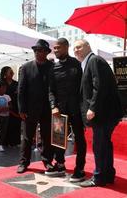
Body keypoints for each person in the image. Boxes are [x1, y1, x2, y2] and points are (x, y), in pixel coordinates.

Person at [73, 39, 123, 187]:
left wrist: (92, 108)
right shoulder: (91, 62)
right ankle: (107, 175)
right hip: (106, 113)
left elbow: (99, 86)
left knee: (100, 146)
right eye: (74, 48)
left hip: (102, 114)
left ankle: (99, 177)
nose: (76, 50)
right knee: (104, 145)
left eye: (79, 47)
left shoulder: (94, 60)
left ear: (88, 47)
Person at [48, 38, 87, 182]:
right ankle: (60, 165)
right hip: (59, 110)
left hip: (76, 110)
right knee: (58, 139)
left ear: (66, 47)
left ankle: (80, 168)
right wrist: (53, 106)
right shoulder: (53, 68)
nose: (55, 50)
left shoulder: (78, 65)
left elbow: (84, 88)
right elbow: (50, 90)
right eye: (54, 48)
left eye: (58, 48)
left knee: (79, 139)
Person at [17, 39, 54, 173]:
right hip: (29, 109)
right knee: (27, 137)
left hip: (47, 109)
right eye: (36, 50)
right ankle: (23, 162)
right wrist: (21, 109)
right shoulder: (26, 67)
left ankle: (47, 161)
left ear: (46, 52)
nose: (38, 53)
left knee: (46, 137)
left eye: (41, 51)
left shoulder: (52, 67)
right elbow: (21, 90)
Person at [0, 66, 21, 147]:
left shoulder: (17, 83)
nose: (12, 72)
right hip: (5, 108)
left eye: (12, 71)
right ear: (5, 74)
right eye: (10, 71)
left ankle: (15, 142)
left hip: (16, 108)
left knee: (15, 125)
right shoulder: (1, 83)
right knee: (5, 126)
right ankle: (4, 142)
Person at [0, 81, 11, 151]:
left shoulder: (7, 96)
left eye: (5, 88)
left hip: (6, 116)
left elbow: (10, 105)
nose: (4, 90)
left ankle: (0, 144)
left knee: (3, 131)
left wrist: (5, 108)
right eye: (2, 88)